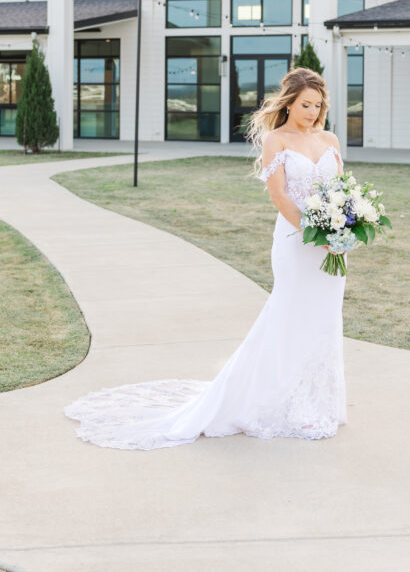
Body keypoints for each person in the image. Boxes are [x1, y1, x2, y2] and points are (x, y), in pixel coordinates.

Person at [63, 66, 347, 449]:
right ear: (289, 103)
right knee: (290, 314)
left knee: (324, 317)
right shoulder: (276, 141)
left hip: (331, 245)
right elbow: (279, 197)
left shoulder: (329, 139)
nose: (311, 112)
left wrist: (343, 228)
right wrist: (317, 234)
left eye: (317, 105)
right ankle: (277, 402)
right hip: (297, 242)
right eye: (304, 104)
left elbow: (340, 190)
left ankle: (318, 402)